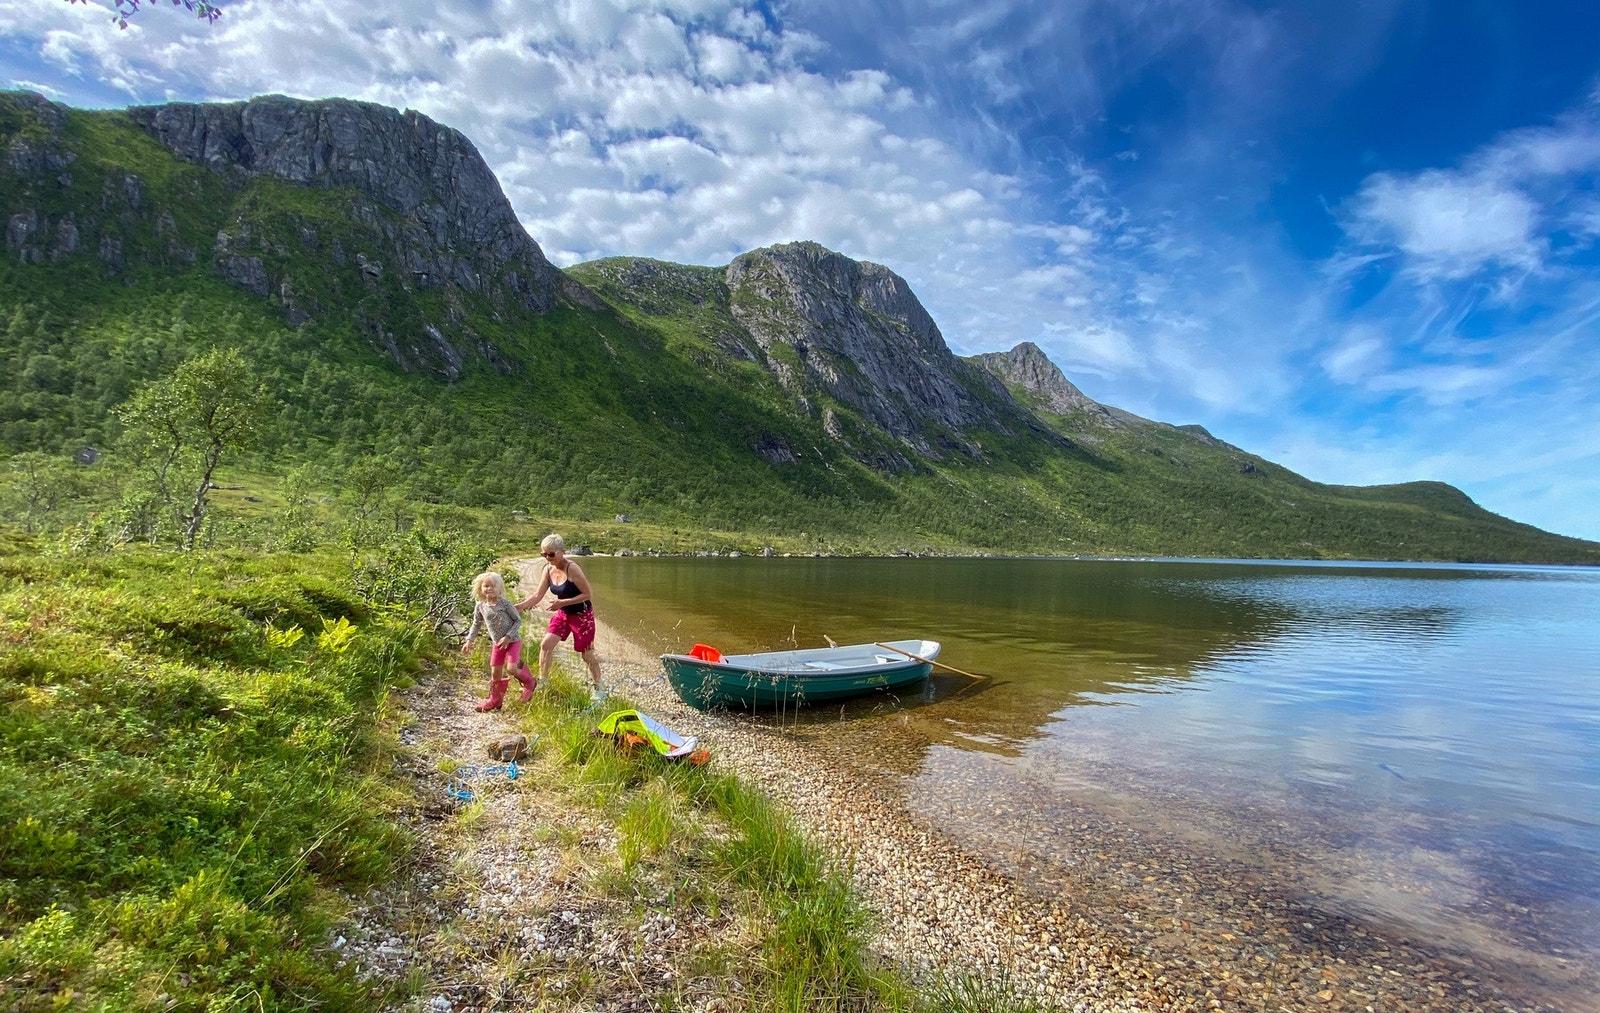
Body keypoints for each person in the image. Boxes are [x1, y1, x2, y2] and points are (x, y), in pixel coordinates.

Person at [516, 534, 604, 696]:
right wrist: (519, 607)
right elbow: (537, 595)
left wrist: (562, 602)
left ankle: (599, 689)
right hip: (563, 613)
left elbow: (588, 594)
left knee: (586, 654)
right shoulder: (548, 569)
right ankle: (543, 681)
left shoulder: (572, 568)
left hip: (582, 615)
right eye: (544, 554)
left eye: (551, 554)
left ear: (562, 551)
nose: (547, 558)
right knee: (546, 644)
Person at [460, 571, 537, 712]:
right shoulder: (480, 606)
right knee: (495, 672)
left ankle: (529, 682)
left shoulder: (505, 604)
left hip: (512, 640)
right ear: (480, 589)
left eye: (493, 586)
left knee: (511, 668)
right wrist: (469, 640)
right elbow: (476, 623)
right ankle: (495, 700)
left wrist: (508, 636)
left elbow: (517, 620)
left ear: (499, 588)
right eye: (486, 586)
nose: (489, 588)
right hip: (497, 643)